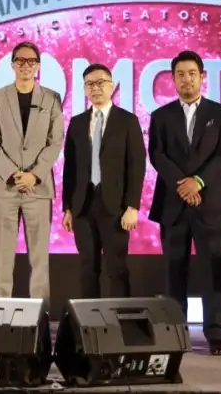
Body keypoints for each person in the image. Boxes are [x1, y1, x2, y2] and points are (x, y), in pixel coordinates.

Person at [147, 50, 221, 356]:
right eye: (180, 74)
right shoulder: (161, 116)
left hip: (210, 204)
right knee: (174, 272)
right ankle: (175, 335)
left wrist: (197, 181)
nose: (187, 79)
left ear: (202, 77)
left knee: (213, 273)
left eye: (192, 74)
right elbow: (157, 155)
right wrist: (183, 184)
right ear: (173, 79)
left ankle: (216, 336)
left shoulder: (220, 114)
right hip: (173, 205)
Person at [0, 42, 63, 302]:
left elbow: (55, 142)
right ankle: (0, 312)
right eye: (20, 60)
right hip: (6, 187)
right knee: (2, 257)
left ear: (38, 66)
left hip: (38, 188)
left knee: (40, 259)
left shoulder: (51, 98)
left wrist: (34, 174)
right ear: (12, 64)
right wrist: (13, 173)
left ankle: (42, 313)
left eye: (31, 61)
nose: (26, 65)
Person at [61, 63, 146, 298]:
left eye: (100, 83)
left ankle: (119, 317)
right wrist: (67, 207)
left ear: (112, 86)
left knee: (117, 268)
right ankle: (88, 319)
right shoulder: (77, 123)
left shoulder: (128, 121)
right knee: (87, 268)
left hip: (116, 207)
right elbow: (70, 167)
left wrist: (132, 206)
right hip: (82, 206)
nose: (95, 88)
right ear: (84, 89)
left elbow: (137, 165)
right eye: (89, 84)